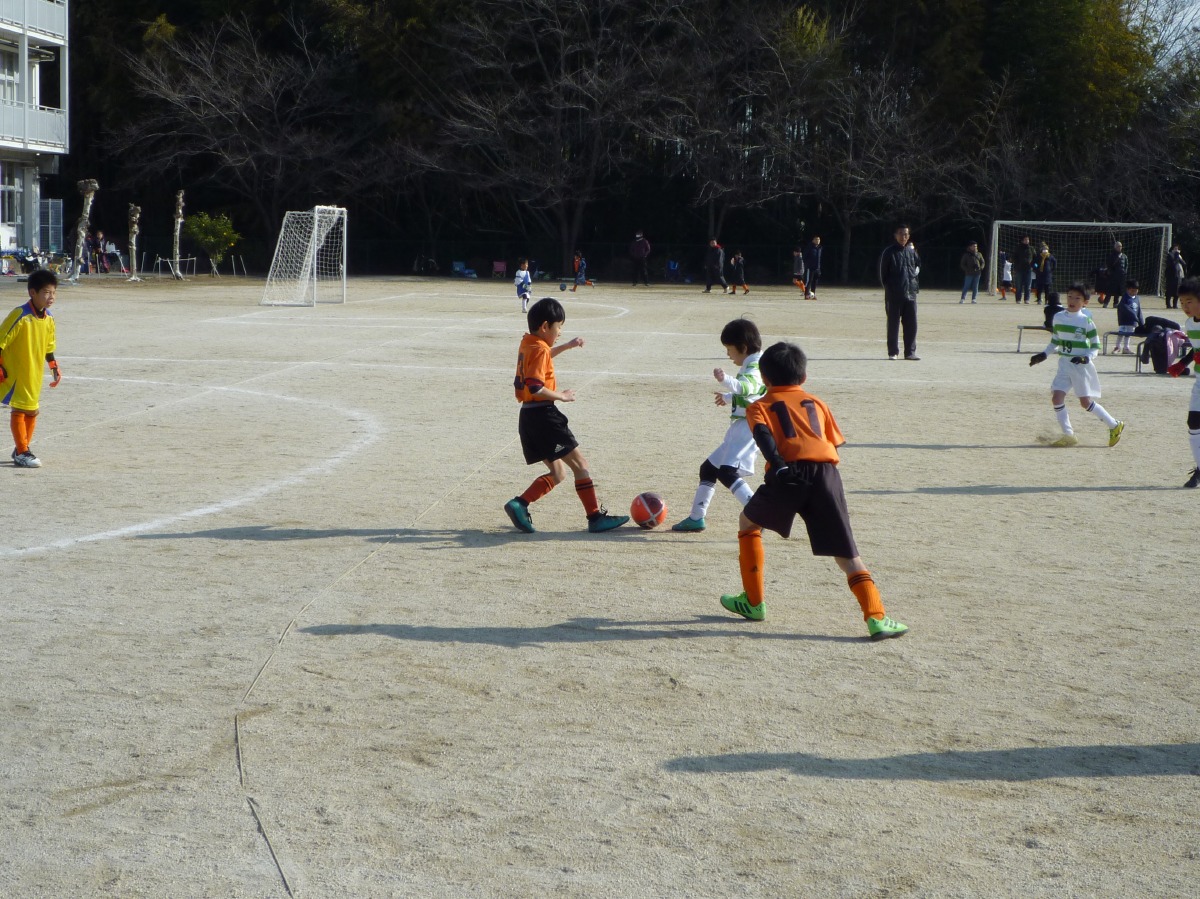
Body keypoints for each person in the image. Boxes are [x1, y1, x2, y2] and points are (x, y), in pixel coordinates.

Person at [716, 341, 908, 640]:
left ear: (764, 379)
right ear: (803, 377)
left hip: (786, 473)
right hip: (826, 475)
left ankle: (753, 602)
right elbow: (832, 442)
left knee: (748, 523)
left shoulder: (759, 406)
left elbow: (764, 437)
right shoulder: (817, 403)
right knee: (847, 554)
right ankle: (877, 617)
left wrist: (779, 466)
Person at [503, 297, 627, 534]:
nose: (560, 332)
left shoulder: (529, 343)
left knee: (558, 473)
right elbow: (535, 387)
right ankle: (595, 518)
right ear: (545, 326)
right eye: (559, 327)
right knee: (580, 465)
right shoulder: (539, 349)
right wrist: (562, 396)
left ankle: (520, 504)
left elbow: (544, 355)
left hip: (528, 417)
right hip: (544, 417)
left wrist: (568, 346)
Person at [673, 319, 765, 532]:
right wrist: (728, 397)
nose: (728, 354)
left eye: (729, 349)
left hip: (748, 428)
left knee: (726, 472)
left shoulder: (754, 366)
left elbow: (747, 388)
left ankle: (758, 513)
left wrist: (726, 381)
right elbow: (755, 395)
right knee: (709, 468)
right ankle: (696, 518)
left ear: (743, 347)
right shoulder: (755, 362)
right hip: (740, 427)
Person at [1029, 282, 1125, 448]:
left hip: (1080, 367)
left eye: (1077, 298)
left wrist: (1085, 358)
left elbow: (1095, 346)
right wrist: (1043, 354)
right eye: (1070, 296)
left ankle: (1114, 424)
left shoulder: (1086, 321)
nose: (1072, 300)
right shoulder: (1058, 317)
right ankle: (1069, 434)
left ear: (1085, 302)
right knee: (1056, 398)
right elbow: (1055, 340)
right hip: (1064, 364)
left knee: (1085, 403)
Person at [0, 269, 61, 468]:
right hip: (16, 373)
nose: (51, 297)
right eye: (46, 292)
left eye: (54, 292)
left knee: (32, 410)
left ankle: (22, 447)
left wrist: (53, 366)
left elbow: (49, 346)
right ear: (32, 292)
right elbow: (1, 339)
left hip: (33, 373)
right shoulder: (20, 315)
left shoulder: (49, 318)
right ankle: (22, 452)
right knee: (20, 408)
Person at [1166, 277, 1200, 488]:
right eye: (1182, 302)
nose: (1185, 307)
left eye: (1189, 301)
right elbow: (1196, 350)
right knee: (1193, 423)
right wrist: (1182, 363)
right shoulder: (1189, 324)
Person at [879, 223, 920, 360]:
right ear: (895, 235)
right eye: (901, 234)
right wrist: (890, 289)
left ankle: (910, 352)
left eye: (906, 234)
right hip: (894, 295)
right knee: (893, 324)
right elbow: (883, 274)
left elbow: (918, 266)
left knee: (911, 325)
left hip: (911, 294)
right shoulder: (889, 252)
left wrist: (914, 285)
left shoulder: (911, 251)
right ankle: (893, 352)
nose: (904, 236)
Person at [1113, 278, 1145, 354]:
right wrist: (1134, 316)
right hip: (1124, 320)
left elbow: (1139, 310)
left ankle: (1126, 348)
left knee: (1128, 334)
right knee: (1121, 333)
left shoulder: (1137, 298)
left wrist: (1141, 323)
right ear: (1128, 289)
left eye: (1136, 291)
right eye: (1132, 290)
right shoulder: (1125, 298)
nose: (1134, 292)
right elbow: (1124, 308)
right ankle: (1117, 347)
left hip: (1132, 321)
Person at [1102, 241, 1129, 308]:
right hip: (1113, 276)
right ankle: (1106, 303)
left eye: (1120, 246)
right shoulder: (1111, 256)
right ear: (1115, 247)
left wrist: (1124, 272)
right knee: (1110, 290)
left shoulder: (1124, 256)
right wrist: (1111, 272)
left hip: (1121, 276)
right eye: (1118, 246)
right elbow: (1109, 265)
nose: (1119, 248)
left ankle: (1116, 303)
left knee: (1117, 291)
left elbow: (1126, 265)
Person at [1013, 235, 1034, 304]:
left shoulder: (1031, 249)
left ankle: (1027, 299)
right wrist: (1016, 266)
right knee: (1018, 285)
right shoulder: (1018, 248)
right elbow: (1014, 258)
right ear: (1022, 241)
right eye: (1025, 239)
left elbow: (1035, 259)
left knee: (1028, 285)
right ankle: (1018, 299)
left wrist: (1034, 266)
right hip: (1019, 269)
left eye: (1028, 239)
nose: (1027, 241)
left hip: (1028, 269)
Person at [1165, 244, 1186, 310]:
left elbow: (1184, 263)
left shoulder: (1179, 256)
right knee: (1169, 290)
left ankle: (1175, 304)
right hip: (1171, 275)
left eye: (1177, 249)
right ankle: (1168, 304)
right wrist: (1176, 256)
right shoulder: (1169, 255)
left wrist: (1179, 257)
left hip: (1178, 275)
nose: (1176, 250)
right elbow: (1173, 264)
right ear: (1172, 249)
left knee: (1177, 290)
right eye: (1175, 249)